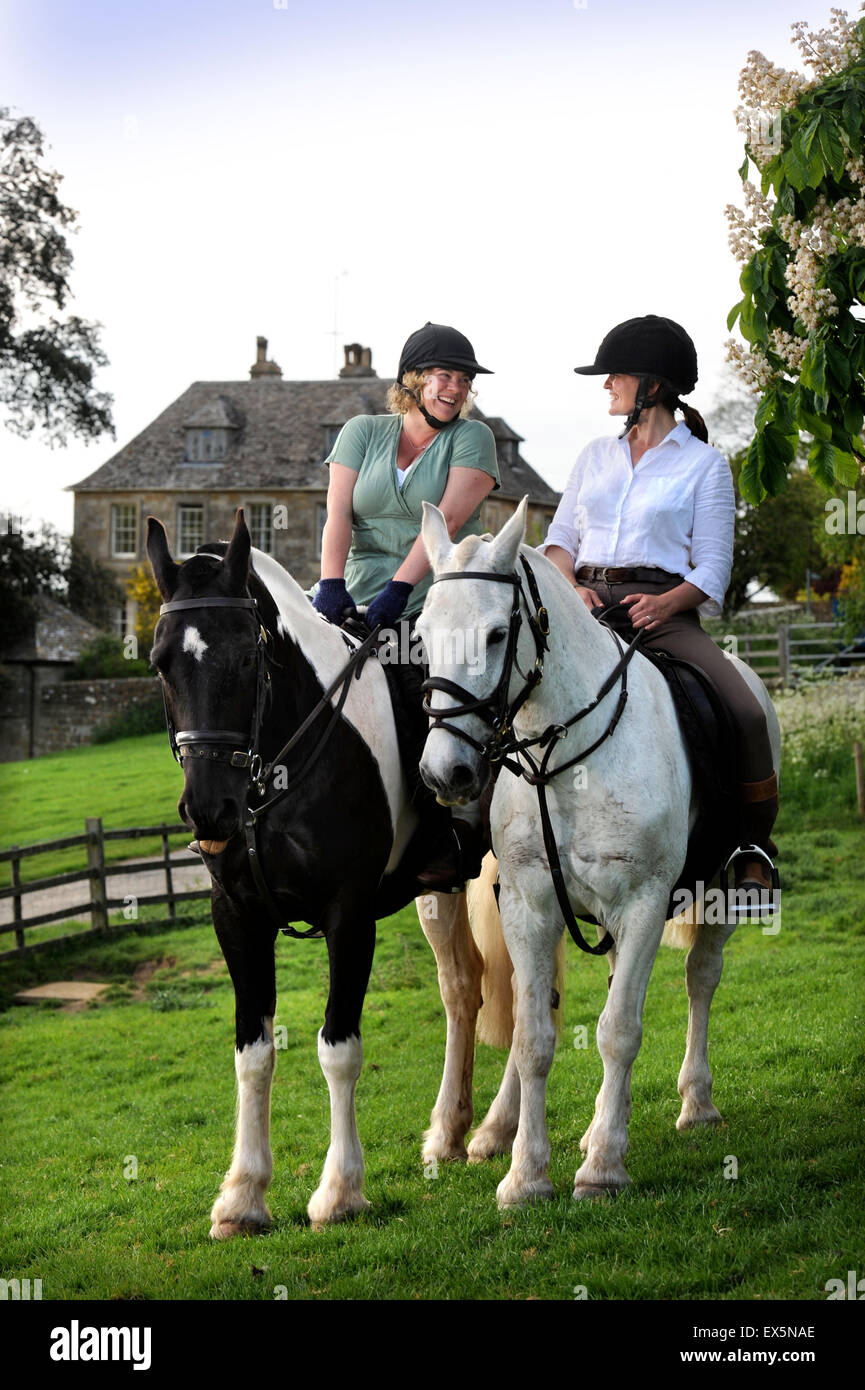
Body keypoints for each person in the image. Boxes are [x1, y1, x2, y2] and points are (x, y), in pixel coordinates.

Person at [540, 315, 778, 911]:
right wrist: (572, 587)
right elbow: (559, 540)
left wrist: (667, 603)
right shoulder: (594, 456)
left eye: (614, 375)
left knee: (746, 712)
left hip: (665, 615)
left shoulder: (704, 466)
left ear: (653, 385)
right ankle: (502, 845)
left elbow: (713, 567)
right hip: (585, 610)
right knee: (508, 690)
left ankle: (752, 849)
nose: (605, 386)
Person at [313, 322, 501, 889]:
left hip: (433, 598)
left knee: (428, 692)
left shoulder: (473, 440)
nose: (455, 388)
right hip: (350, 590)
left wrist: (399, 590)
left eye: (463, 379)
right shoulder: (361, 431)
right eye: (445, 375)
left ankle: (452, 826)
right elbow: (339, 514)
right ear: (414, 379)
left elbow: (444, 524)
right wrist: (329, 584)